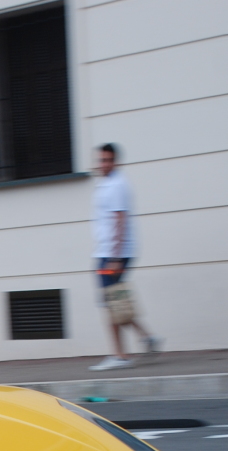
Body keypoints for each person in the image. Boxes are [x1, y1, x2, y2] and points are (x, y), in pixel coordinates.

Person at [90, 143, 160, 371]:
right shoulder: (107, 183)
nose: (104, 164)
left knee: (111, 303)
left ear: (116, 161)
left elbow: (121, 221)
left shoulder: (117, 185)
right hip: (106, 252)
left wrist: (116, 257)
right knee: (115, 301)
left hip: (112, 254)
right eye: (101, 160)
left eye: (108, 160)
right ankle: (146, 338)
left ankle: (119, 355)